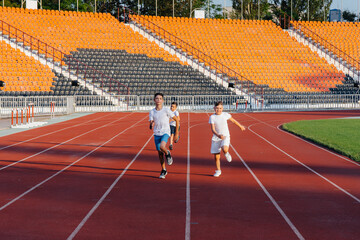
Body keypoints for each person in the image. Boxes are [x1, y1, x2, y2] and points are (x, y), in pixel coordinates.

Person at [209, 101, 246, 177]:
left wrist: (240, 126)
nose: (218, 110)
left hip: (225, 136)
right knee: (216, 157)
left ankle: (226, 153)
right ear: (214, 108)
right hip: (216, 137)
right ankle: (218, 170)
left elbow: (233, 121)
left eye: (220, 108)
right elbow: (213, 129)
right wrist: (218, 135)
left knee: (225, 148)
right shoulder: (212, 117)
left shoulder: (225, 115)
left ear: (222, 108)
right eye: (217, 108)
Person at [149, 93, 179, 179]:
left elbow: (176, 120)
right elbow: (151, 122)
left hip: (165, 132)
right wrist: (151, 124)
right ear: (154, 100)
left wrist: (177, 133)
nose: (158, 100)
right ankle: (163, 170)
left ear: (163, 100)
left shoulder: (166, 110)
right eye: (157, 98)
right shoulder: (152, 111)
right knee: (160, 153)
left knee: (162, 147)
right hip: (156, 133)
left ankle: (168, 153)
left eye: (160, 98)